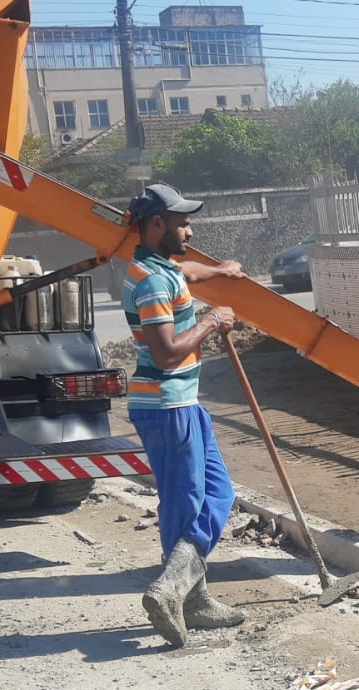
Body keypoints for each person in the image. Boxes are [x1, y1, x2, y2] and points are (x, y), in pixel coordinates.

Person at [124, 183, 250, 648]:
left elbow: (188, 273)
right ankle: (177, 591)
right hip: (164, 404)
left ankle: (188, 594)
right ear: (156, 224)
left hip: (183, 404)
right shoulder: (152, 280)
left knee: (217, 492)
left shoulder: (163, 267)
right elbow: (165, 353)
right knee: (183, 503)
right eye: (181, 222)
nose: (189, 228)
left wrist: (220, 270)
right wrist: (211, 322)